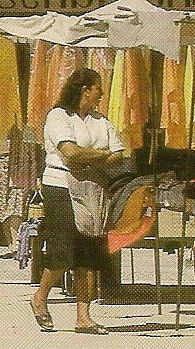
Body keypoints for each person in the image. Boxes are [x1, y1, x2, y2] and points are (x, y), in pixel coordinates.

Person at [30, 68, 125, 335]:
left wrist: (91, 157)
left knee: (90, 251)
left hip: (92, 186)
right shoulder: (58, 116)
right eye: (98, 88)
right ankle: (41, 295)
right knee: (63, 249)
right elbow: (69, 153)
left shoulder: (100, 119)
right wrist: (100, 154)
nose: (102, 94)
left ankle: (83, 316)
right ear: (85, 89)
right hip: (60, 185)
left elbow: (118, 154)